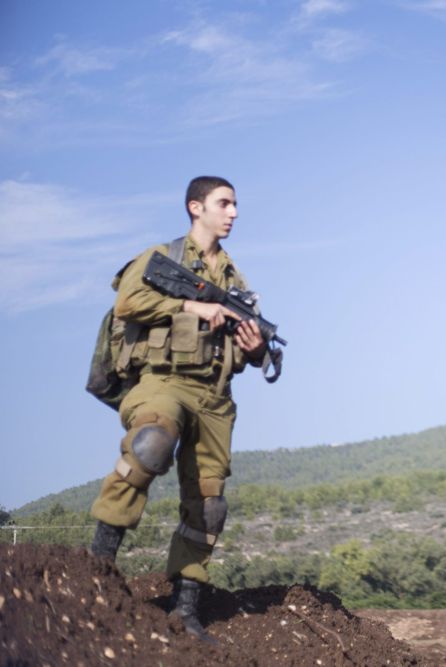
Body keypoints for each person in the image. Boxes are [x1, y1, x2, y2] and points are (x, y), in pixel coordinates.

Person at [89, 176, 278, 642]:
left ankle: (186, 609)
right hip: (162, 382)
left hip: (215, 398)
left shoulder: (237, 281)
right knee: (151, 446)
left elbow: (255, 356)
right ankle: (94, 572)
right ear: (196, 207)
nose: (233, 212)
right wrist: (192, 306)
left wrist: (255, 350)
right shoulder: (162, 259)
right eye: (224, 203)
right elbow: (128, 301)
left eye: (235, 205)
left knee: (209, 506)